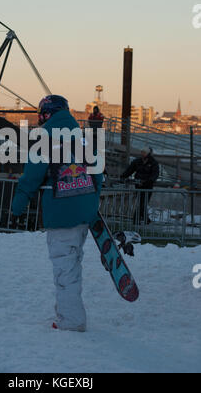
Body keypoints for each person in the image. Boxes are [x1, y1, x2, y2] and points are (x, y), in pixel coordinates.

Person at [12, 95, 103, 332]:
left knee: (64, 269)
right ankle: (69, 313)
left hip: (61, 214)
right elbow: (98, 175)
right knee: (73, 264)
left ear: (46, 115)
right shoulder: (83, 139)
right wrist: (92, 204)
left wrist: (16, 206)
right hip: (84, 213)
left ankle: (71, 320)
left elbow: (31, 179)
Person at [120, 146, 159, 224]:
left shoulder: (153, 163)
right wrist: (123, 176)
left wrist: (150, 181)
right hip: (138, 184)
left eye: (144, 152)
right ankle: (140, 220)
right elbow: (130, 170)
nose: (142, 154)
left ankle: (140, 220)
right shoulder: (137, 161)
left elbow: (155, 174)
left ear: (148, 153)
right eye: (142, 152)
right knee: (142, 202)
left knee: (143, 202)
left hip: (148, 185)